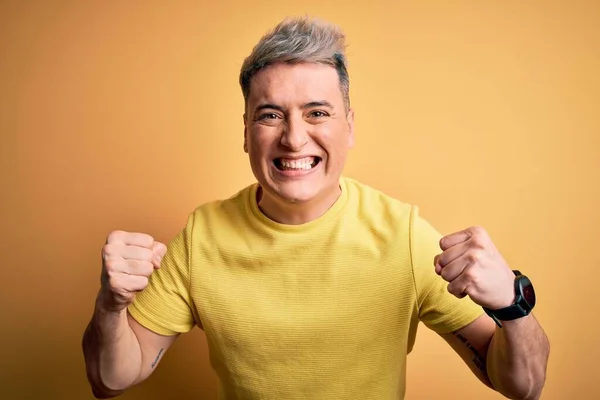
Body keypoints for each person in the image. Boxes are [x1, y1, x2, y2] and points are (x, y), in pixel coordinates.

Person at [82, 16, 550, 400]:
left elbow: (523, 385)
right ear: (246, 132)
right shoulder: (202, 236)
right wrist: (110, 306)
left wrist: (512, 303)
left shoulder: (404, 236)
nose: (294, 137)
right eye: (270, 114)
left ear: (349, 126)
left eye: (317, 112)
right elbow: (112, 379)